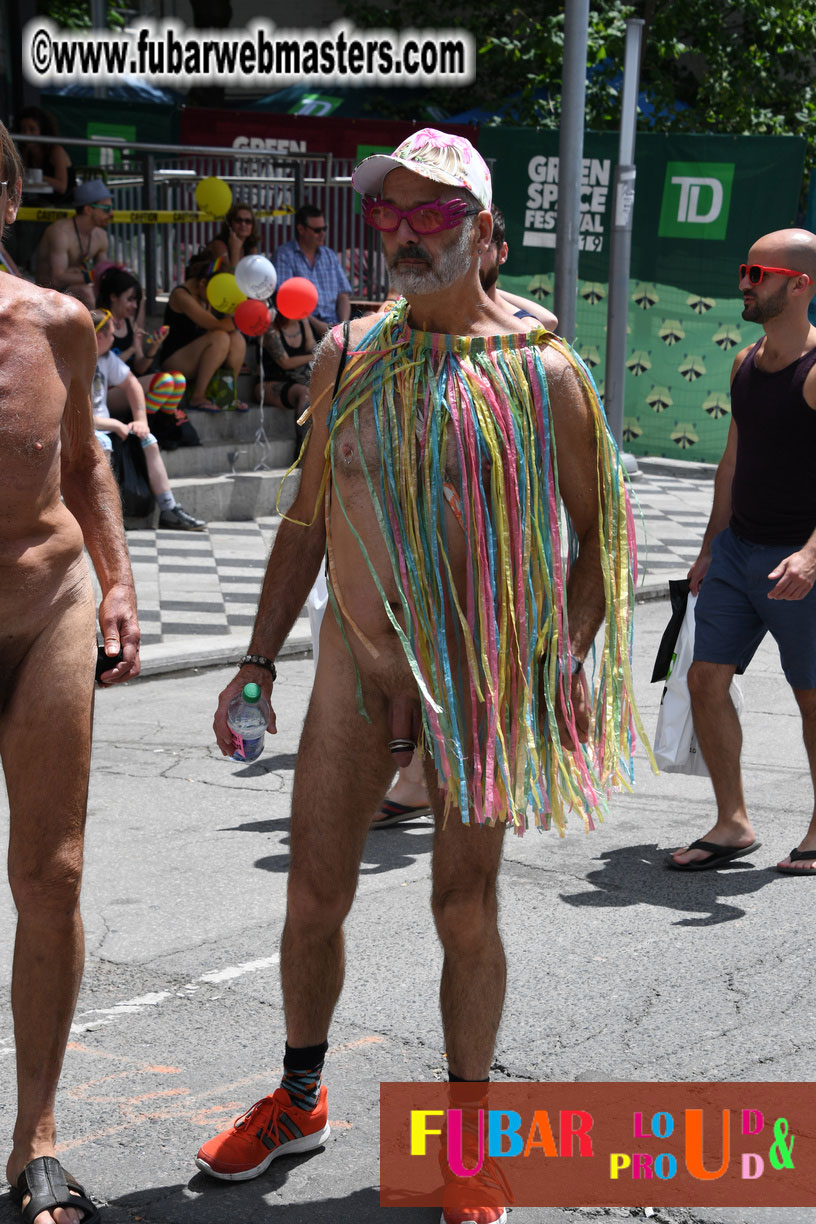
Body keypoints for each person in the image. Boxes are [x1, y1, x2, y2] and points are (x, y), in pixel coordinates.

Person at [199, 128, 639, 1223]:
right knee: (311, 897)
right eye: (385, 213)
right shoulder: (350, 352)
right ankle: (300, 1098)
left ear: (487, 236)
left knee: (462, 906)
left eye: (429, 214)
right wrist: (253, 664)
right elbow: (305, 523)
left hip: (480, 681)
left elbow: (602, 544)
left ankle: (469, 1144)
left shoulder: (543, 374)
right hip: (354, 666)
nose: (399, 231)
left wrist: (571, 653)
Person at [0, 122, 139, 1224]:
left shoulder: (58, 324)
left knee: (51, 876)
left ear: (8, 204)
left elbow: (88, 463)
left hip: (48, 606)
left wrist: (121, 584)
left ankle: (37, 1134)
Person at [669, 228, 816, 875]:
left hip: (800, 561)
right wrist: (708, 548)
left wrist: (812, 556)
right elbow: (732, 460)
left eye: (756, 273)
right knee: (706, 679)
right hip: (737, 552)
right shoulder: (743, 363)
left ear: (799, 284)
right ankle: (733, 822)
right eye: (745, 271)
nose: (744, 284)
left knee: (812, 696)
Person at [91, 309, 206, 531]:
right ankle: (100, 514)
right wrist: (115, 424)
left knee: (149, 441)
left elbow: (132, 383)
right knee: (103, 445)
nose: (114, 338)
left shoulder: (106, 358)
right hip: (86, 429)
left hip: (106, 426)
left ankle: (169, 508)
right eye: (112, 335)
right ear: (99, 337)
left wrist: (141, 419)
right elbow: (79, 415)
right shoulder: (79, 361)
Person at [96, 265, 199, 452]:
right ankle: (148, 431)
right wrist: (131, 350)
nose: (134, 306)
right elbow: (101, 358)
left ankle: (160, 428)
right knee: (165, 381)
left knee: (178, 379)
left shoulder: (129, 322)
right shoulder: (100, 322)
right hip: (106, 390)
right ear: (113, 296)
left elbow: (140, 367)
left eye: (137, 301)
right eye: (130, 300)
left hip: (128, 383)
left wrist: (152, 348)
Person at [159, 255, 247, 412]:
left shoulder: (206, 293)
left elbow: (227, 325)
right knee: (220, 337)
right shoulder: (181, 295)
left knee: (237, 339)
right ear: (202, 283)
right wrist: (245, 317)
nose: (217, 297)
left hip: (199, 356)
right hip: (175, 361)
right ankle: (198, 396)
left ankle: (227, 395)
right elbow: (214, 324)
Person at [273, 203, 351, 337]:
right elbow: (285, 300)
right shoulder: (284, 255)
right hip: (303, 326)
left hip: (334, 325)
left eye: (324, 229)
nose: (322, 234)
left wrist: (343, 326)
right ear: (301, 229)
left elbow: (343, 296)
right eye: (317, 230)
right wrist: (319, 326)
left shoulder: (329, 255)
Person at [481, 203, 559, 330]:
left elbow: (549, 321)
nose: (474, 259)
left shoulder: (518, 321)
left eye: (484, 250)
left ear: (502, 253)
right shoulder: (442, 310)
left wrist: (484, 290)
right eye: (467, 250)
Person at [36, 178, 111, 308]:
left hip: (75, 287)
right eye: (106, 209)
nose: (112, 213)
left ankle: (132, 328)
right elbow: (57, 278)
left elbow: (103, 272)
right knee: (85, 291)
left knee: (127, 290)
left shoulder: (101, 235)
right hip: (47, 294)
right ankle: (97, 328)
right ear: (88, 210)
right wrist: (92, 276)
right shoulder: (60, 232)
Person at [256, 302, 316, 443]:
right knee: (304, 393)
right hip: (270, 384)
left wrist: (306, 321)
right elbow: (285, 362)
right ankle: (302, 445)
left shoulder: (302, 323)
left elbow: (312, 347)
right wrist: (313, 357)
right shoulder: (270, 330)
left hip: (298, 381)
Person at [16, 106, 75, 204]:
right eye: (23, 129)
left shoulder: (56, 151)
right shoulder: (27, 152)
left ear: (42, 130)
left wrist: (37, 176)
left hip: (64, 204)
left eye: (32, 129)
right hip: (44, 202)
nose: (27, 133)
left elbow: (62, 187)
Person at [205, 199, 260, 269]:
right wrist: (235, 251)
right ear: (230, 223)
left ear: (253, 225)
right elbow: (229, 275)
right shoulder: (219, 244)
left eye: (248, 221)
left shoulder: (251, 247)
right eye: (238, 220)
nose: (243, 224)